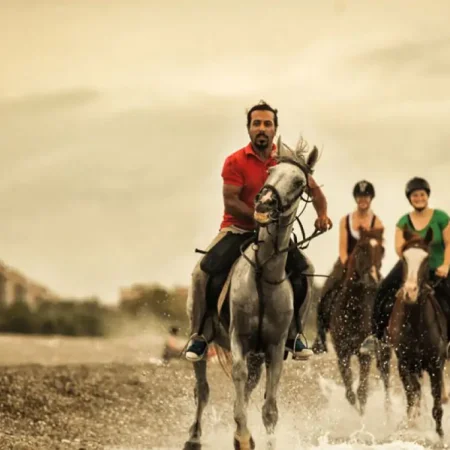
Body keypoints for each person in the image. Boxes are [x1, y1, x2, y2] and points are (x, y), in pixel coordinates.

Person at [184, 100, 332, 362]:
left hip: (274, 236)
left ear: (274, 129)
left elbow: (315, 191)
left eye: (267, 124)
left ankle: (295, 334)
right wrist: (257, 217)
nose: (262, 128)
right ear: (249, 129)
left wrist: (322, 214)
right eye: (256, 124)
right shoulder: (235, 162)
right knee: (200, 273)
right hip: (238, 229)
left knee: (306, 270)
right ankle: (199, 334)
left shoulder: (285, 162)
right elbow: (231, 201)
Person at [360, 177, 450, 354]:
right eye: (414, 195)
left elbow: (449, 243)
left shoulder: (441, 217)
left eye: (421, 194)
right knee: (383, 290)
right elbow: (399, 247)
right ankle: (376, 337)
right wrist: (413, 265)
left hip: (439, 267)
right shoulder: (403, 221)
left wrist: (446, 265)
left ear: (427, 195)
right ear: (410, 198)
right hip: (410, 265)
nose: (418, 198)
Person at [312, 180, 383, 353]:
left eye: (366, 196)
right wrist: (348, 266)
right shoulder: (346, 220)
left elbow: (378, 250)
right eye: (360, 197)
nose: (363, 200)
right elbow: (343, 249)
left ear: (371, 198)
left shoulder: (377, 222)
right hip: (347, 262)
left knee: (382, 293)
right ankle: (320, 336)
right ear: (356, 198)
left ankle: (381, 335)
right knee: (326, 290)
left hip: (369, 264)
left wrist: (373, 268)